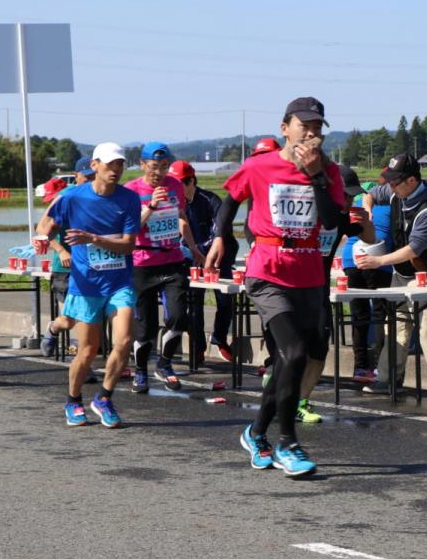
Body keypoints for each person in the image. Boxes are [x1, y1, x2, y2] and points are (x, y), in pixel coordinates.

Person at [205, 97, 346, 476]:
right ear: (285, 128)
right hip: (267, 270)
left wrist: (316, 175)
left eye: (318, 128)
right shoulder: (258, 166)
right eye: (305, 126)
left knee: (287, 361)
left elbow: (334, 220)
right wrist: (220, 237)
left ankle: (256, 432)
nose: (312, 133)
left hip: (309, 272)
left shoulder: (330, 171)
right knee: (296, 353)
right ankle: (288, 443)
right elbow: (229, 202)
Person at [36, 142, 140, 427]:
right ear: (94, 165)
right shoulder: (72, 197)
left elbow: (129, 246)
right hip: (86, 285)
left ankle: (104, 398)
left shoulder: (129, 199)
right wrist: (50, 244)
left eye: (120, 164)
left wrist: (94, 239)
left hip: (120, 283)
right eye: (110, 164)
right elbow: (44, 227)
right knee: (88, 350)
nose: (115, 170)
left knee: (124, 341)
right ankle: (73, 400)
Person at [357, 153, 427, 395]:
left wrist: (378, 260)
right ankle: (389, 378)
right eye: (389, 182)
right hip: (401, 272)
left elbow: (414, 248)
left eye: (395, 182)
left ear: (411, 181)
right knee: (397, 327)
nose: (390, 186)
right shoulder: (394, 193)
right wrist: (367, 211)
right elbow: (369, 193)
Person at [293, 165, 373, 423]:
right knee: (294, 349)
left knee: (319, 349)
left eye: (352, 196)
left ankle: (302, 401)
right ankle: (280, 387)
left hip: (320, 290)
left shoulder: (341, 217)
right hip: (293, 289)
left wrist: (365, 221)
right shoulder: (306, 212)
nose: (349, 200)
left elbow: (369, 239)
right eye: (345, 195)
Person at [125, 141, 202, 392]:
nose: (159, 173)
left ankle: (165, 364)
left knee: (180, 317)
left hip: (172, 259)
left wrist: (194, 248)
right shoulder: (130, 191)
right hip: (142, 262)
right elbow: (130, 228)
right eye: (154, 167)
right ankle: (140, 372)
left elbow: (181, 218)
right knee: (145, 326)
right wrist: (152, 206)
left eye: (165, 167)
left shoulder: (175, 186)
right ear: (143, 164)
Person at [170, 158, 225, 367]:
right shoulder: (173, 203)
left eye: (181, 183)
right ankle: (198, 350)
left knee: (225, 300)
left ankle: (219, 338)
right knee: (194, 305)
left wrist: (205, 254)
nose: (177, 188)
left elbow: (220, 231)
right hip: (189, 259)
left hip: (214, 257)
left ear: (191, 181)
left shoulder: (210, 200)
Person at [40, 157, 95, 359]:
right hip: (65, 268)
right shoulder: (65, 196)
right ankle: (54, 328)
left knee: (88, 316)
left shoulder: (100, 198)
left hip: (91, 266)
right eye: (86, 177)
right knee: (70, 318)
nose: (90, 180)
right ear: (76, 176)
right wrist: (61, 250)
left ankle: (82, 361)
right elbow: (42, 229)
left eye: (94, 176)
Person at [343, 177, 392, 380]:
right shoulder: (391, 208)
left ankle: (360, 367)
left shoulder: (353, 209)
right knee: (381, 313)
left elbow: (346, 236)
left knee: (359, 314)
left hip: (350, 260)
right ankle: (381, 366)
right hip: (378, 259)